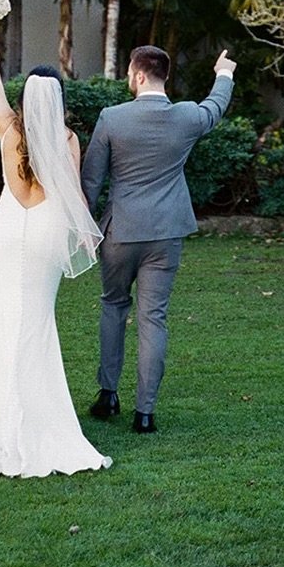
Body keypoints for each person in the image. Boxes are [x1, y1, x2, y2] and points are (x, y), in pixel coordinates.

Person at [0, 23, 110, 478]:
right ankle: (41, 417)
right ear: (58, 100)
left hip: (8, 232)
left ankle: (5, 415)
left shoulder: (9, 130)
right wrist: (83, 230)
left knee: (8, 319)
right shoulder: (67, 140)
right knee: (37, 321)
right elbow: (76, 193)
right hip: (44, 232)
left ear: (25, 100)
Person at [80, 44, 236, 433]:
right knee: (153, 318)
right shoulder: (186, 117)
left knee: (113, 306)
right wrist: (225, 72)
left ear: (136, 75)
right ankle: (145, 413)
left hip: (120, 233)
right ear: (164, 76)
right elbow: (215, 106)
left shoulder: (112, 118)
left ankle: (108, 395)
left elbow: (92, 179)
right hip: (166, 234)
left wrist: (83, 226)